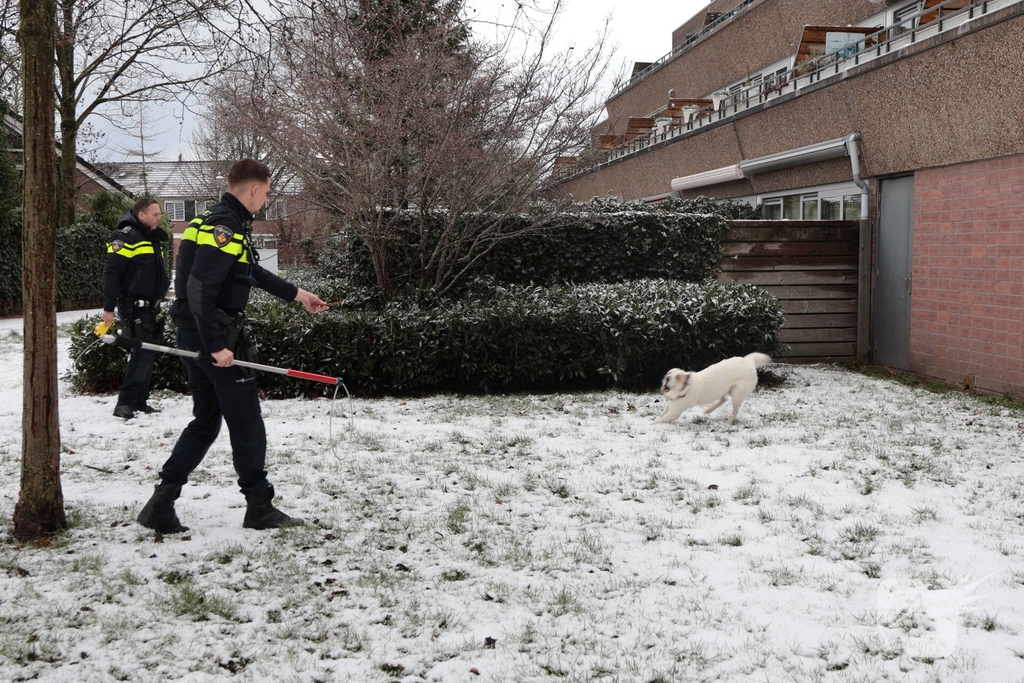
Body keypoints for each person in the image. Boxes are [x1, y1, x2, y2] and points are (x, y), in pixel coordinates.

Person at [136, 159, 328, 533]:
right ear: (254, 188)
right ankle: (259, 506)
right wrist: (216, 347)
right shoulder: (224, 226)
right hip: (215, 337)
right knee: (247, 423)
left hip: (196, 332)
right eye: (268, 192)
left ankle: (162, 501)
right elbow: (199, 287)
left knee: (206, 420)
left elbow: (250, 271)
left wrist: (298, 294)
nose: (266, 200)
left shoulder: (213, 221)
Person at [102, 197, 170, 419]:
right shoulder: (127, 237)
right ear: (142, 215)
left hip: (149, 306)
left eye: (159, 214)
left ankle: (140, 400)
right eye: (155, 214)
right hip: (133, 306)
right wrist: (109, 308)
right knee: (142, 353)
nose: (159, 218)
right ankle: (125, 403)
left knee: (148, 353)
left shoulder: (151, 238)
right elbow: (112, 273)